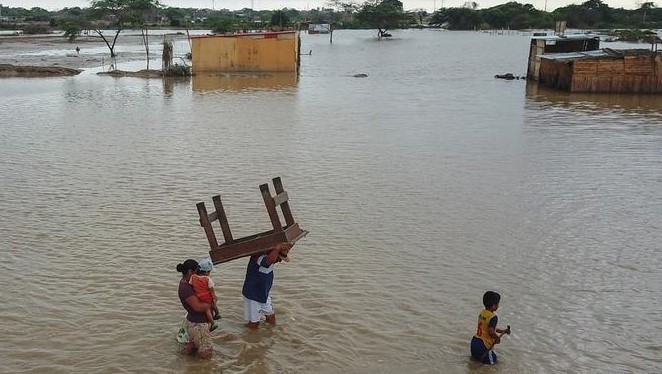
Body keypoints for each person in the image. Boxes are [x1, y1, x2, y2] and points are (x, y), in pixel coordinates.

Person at [241, 242, 292, 329]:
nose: (280, 261)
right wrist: (277, 248)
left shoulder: (272, 259)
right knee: (254, 324)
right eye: (279, 258)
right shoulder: (259, 257)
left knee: (271, 318)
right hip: (253, 295)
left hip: (263, 294)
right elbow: (266, 263)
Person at [177, 259, 213, 359]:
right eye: (196, 271)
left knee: (191, 348)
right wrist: (211, 303)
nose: (198, 274)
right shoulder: (186, 288)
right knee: (206, 353)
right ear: (190, 272)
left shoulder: (187, 283)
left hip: (193, 321)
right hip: (199, 323)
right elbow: (197, 307)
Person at [470, 291, 510, 364]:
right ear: (494, 306)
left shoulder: (482, 313)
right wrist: (497, 338)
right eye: (498, 303)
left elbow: (488, 327)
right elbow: (491, 331)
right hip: (483, 345)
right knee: (494, 365)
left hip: (475, 342)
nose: (498, 305)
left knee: (475, 363)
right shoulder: (493, 317)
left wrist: (503, 331)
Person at [190, 258, 221, 330]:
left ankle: (214, 320)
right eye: (209, 272)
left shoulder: (193, 277)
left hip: (199, 297)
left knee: (206, 310)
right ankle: (215, 318)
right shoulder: (207, 279)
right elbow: (211, 289)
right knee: (212, 303)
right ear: (206, 272)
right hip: (207, 297)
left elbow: (191, 284)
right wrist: (214, 298)